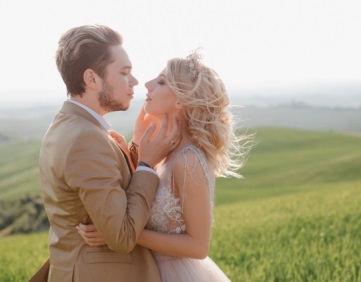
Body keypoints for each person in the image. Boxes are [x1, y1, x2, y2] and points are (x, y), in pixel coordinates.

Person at [76, 49, 252, 281]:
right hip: (148, 271)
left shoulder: (188, 161)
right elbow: (143, 193)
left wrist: (121, 234)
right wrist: (135, 145)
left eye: (161, 82)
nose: (147, 84)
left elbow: (198, 247)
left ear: (181, 99)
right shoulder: (168, 152)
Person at [38, 24, 180, 282]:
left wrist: (136, 147)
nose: (135, 81)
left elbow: (112, 188)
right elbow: (123, 236)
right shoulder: (85, 139)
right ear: (92, 79)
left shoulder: (70, 126)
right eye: (124, 72)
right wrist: (147, 165)